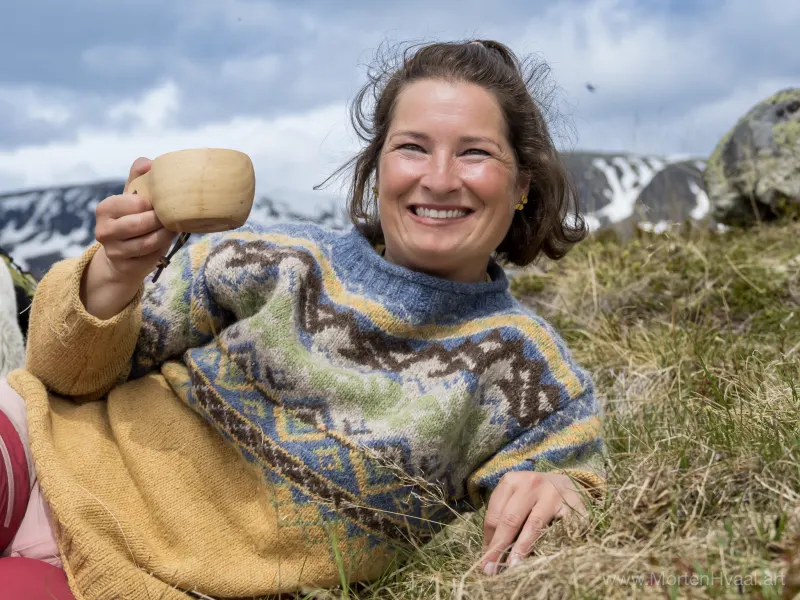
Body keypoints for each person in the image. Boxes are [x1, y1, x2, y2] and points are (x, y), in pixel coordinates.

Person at [0, 39, 606, 599]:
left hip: (136, 579)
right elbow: (61, 376)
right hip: (38, 453)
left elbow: (580, 491)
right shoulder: (272, 260)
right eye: (412, 147)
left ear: (521, 185)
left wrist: (560, 490)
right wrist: (117, 271)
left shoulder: (524, 369)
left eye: (475, 152)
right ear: (377, 168)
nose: (440, 178)